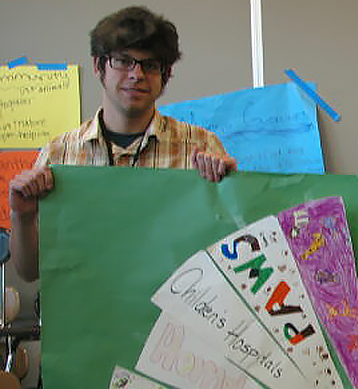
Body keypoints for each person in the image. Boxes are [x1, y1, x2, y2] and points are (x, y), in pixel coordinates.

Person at [9, 5, 236, 282]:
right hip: (86, 318)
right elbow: (28, 273)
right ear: (98, 65)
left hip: (176, 316)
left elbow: (231, 258)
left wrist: (232, 191)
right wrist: (22, 216)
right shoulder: (60, 154)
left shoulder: (200, 146)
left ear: (165, 75)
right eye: (124, 60)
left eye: (150, 65)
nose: (136, 74)